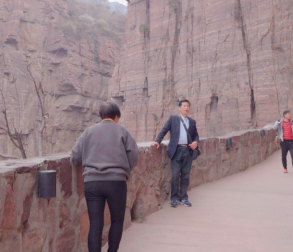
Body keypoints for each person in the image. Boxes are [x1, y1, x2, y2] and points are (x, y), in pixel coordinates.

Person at [71, 102, 139, 252]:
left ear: (101, 116)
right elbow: (134, 154)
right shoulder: (123, 131)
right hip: (116, 182)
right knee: (117, 220)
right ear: (116, 116)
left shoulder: (88, 132)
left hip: (92, 182)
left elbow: (76, 156)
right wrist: (124, 170)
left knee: (95, 223)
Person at [152, 99, 200, 208]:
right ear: (179, 108)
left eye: (188, 106)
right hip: (176, 150)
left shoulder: (192, 122)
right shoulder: (173, 119)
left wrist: (195, 142)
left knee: (185, 176)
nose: (186, 108)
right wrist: (157, 141)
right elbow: (164, 130)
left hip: (188, 150)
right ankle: (174, 198)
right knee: (175, 175)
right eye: (184, 106)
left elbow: (196, 135)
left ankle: (184, 198)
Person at [273, 110, 293, 174]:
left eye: (290, 114)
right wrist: (279, 123)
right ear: (285, 115)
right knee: (283, 156)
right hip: (283, 142)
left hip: (292, 141)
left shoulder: (292, 122)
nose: (290, 115)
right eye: (289, 114)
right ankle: (285, 168)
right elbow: (274, 128)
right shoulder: (279, 121)